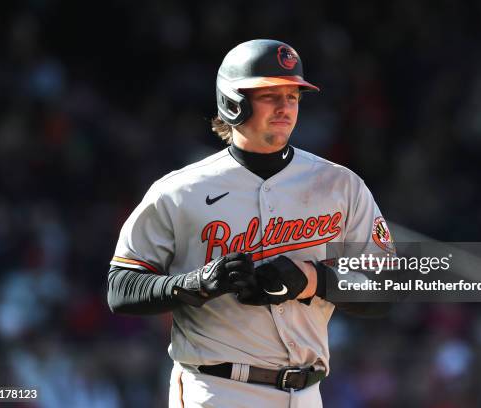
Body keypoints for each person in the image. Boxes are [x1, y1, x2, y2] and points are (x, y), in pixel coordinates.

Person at [107, 39, 394, 408]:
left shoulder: (340, 185)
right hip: (218, 389)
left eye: (292, 96)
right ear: (232, 101)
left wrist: (313, 280)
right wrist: (194, 284)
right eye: (269, 94)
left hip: (307, 392)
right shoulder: (180, 191)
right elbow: (121, 287)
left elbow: (386, 289)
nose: (285, 107)